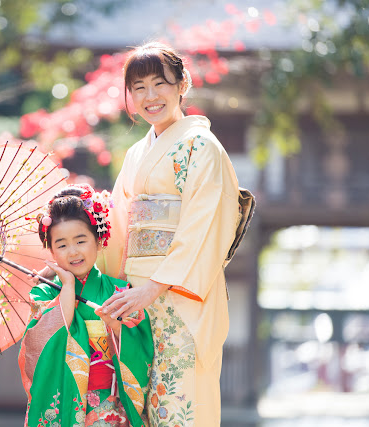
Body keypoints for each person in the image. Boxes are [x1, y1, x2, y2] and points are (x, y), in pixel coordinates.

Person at [97, 41, 241, 426]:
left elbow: (203, 227)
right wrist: (75, 265)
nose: (149, 96)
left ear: (183, 84)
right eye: (138, 87)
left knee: (179, 407)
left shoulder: (202, 147)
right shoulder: (135, 156)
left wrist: (153, 288)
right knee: (140, 410)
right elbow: (116, 226)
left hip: (180, 299)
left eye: (159, 83)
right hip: (135, 305)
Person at [18, 184, 154, 427]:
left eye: (81, 240)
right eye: (61, 245)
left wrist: (117, 328)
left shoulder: (119, 291)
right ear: (50, 250)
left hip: (110, 406)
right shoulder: (43, 293)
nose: (73, 252)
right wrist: (67, 288)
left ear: (99, 240)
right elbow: (39, 351)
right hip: (66, 403)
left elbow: (142, 348)